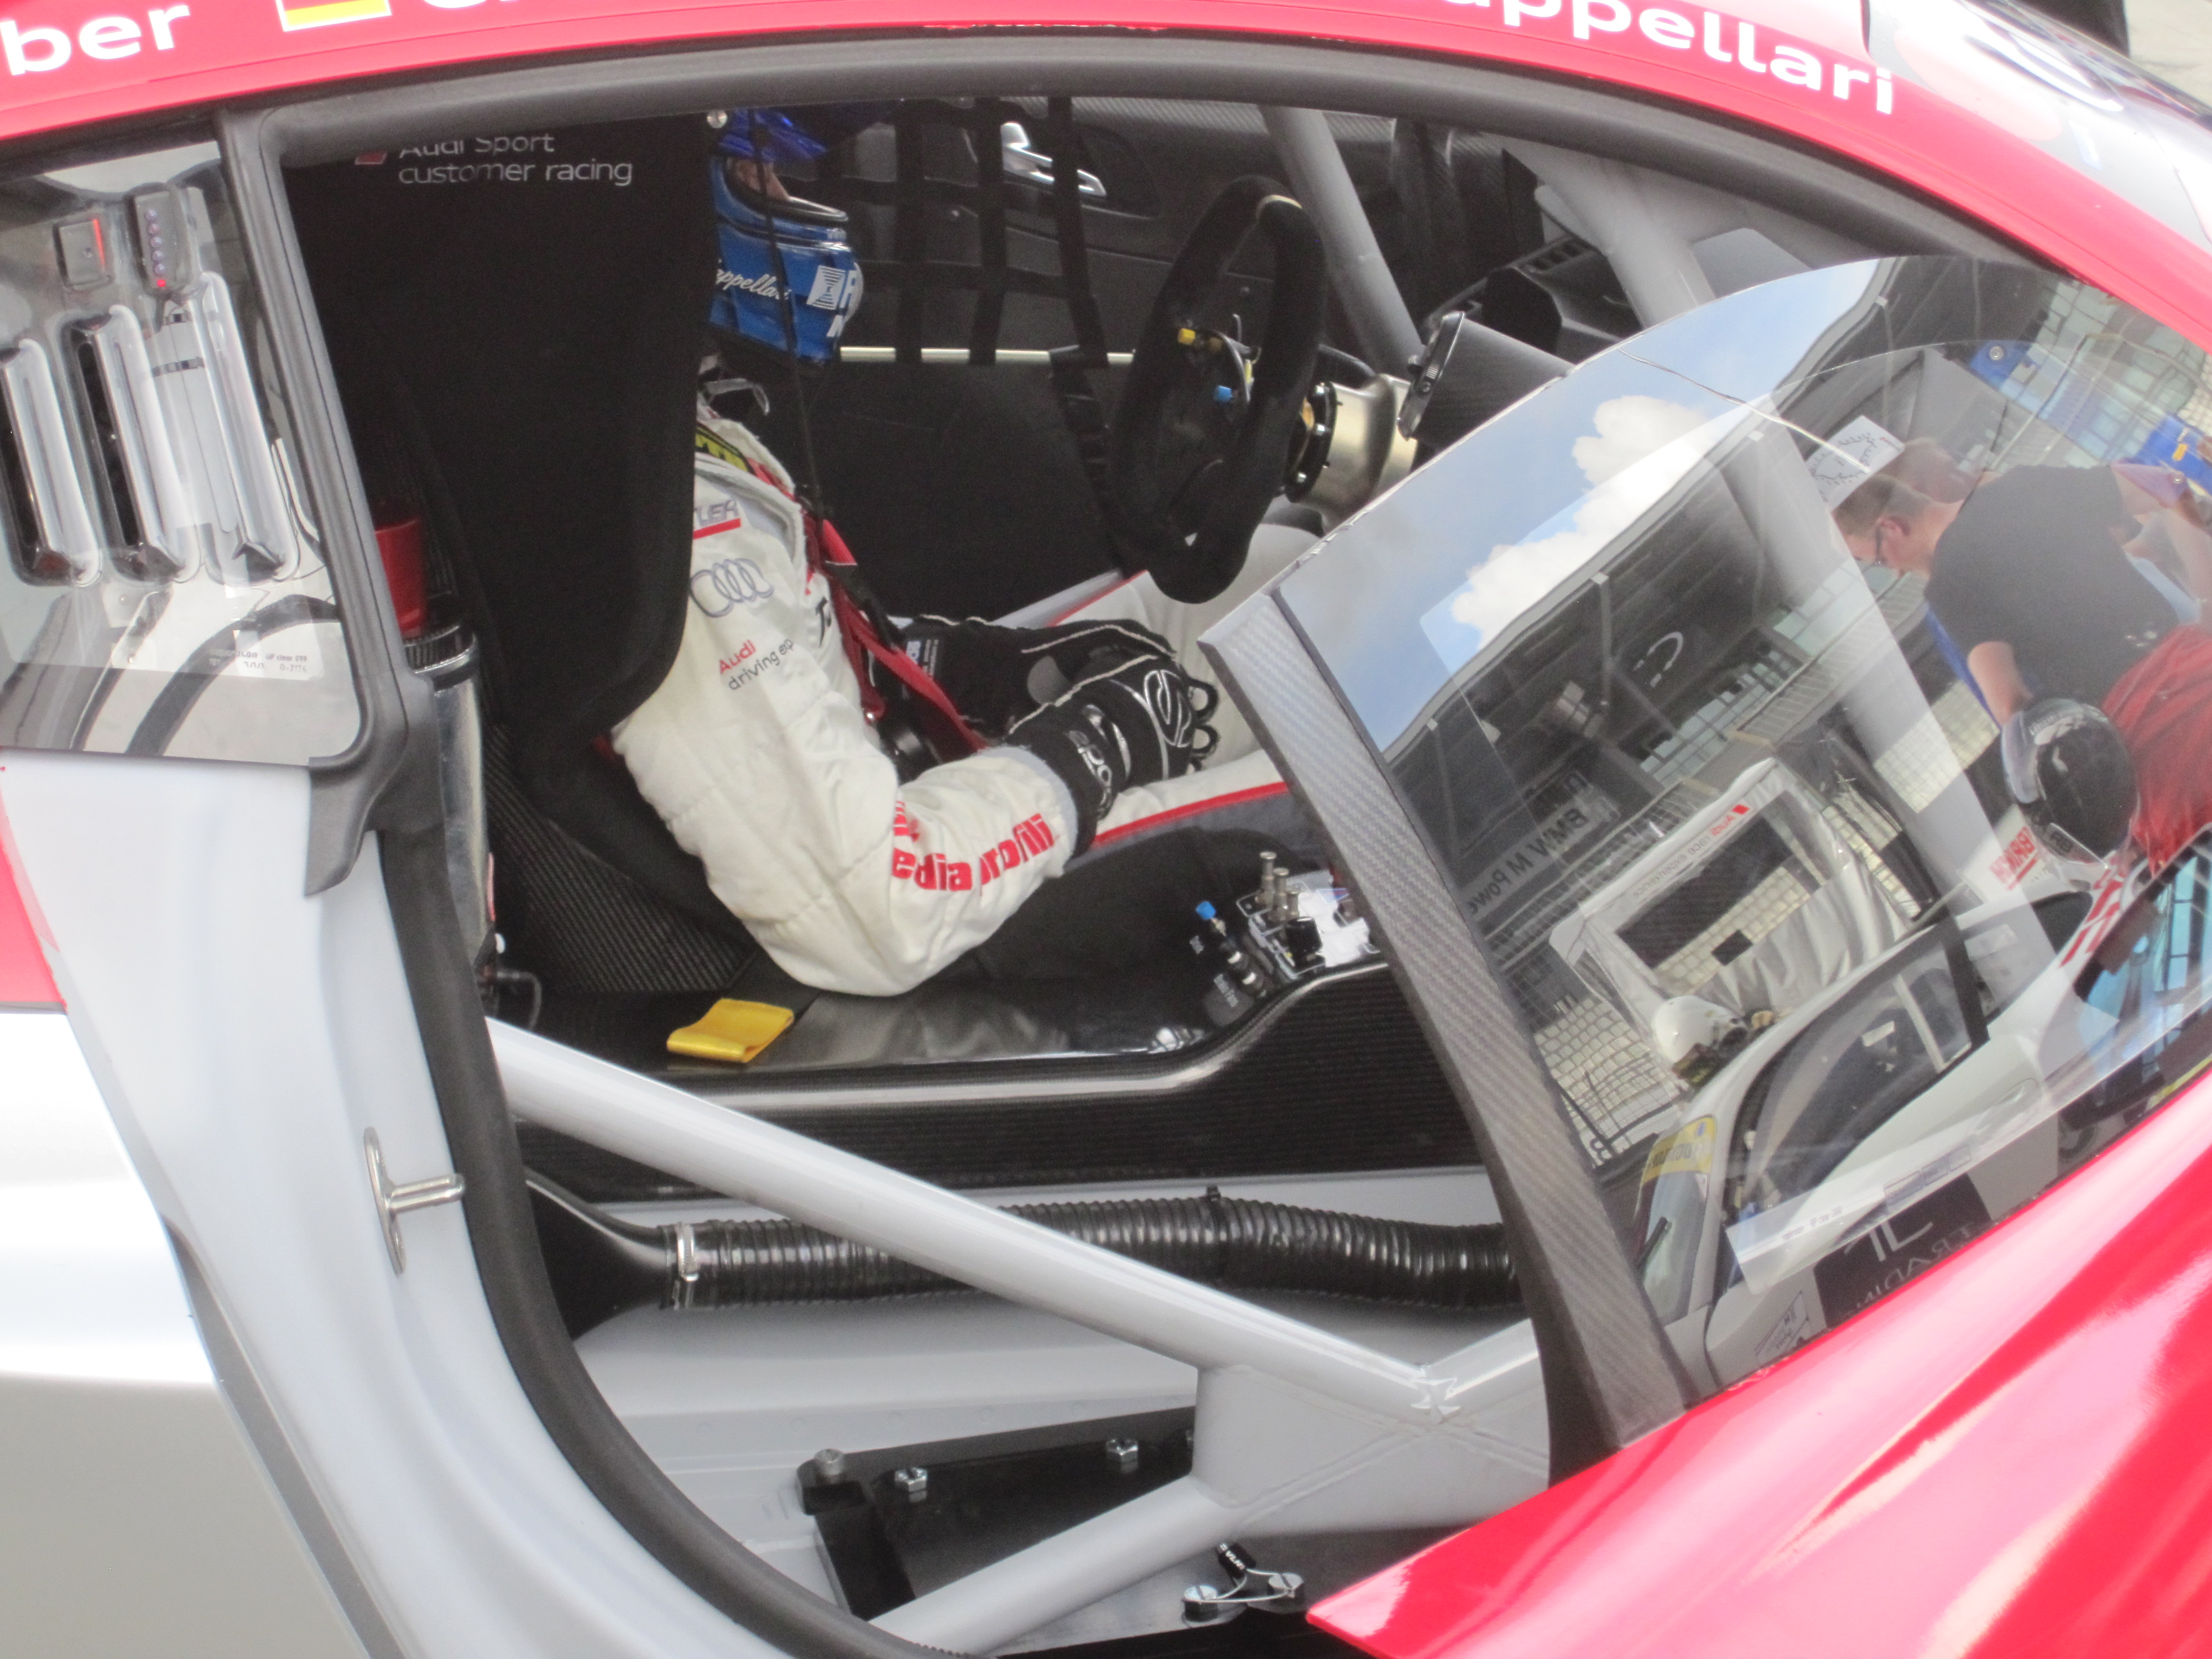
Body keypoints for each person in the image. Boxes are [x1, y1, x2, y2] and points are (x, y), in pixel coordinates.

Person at [612, 108, 1303, 996]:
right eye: (756, 178)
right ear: (664, 220)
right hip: (935, 914)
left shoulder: (653, 432)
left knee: (1277, 569)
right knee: (1361, 765)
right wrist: (1101, 740)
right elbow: (881, 911)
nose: (785, 199)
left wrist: (962, 665)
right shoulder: (683, 540)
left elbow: (784, 661)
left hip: (884, 785)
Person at [1834, 450, 2212, 869]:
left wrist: (2088, 818)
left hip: (2156, 744)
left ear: (1891, 527)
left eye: (1880, 559)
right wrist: (2206, 601)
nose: (1895, 572)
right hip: (2197, 662)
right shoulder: (2025, 485)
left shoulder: (1950, 584)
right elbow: (2166, 485)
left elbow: (2011, 705)